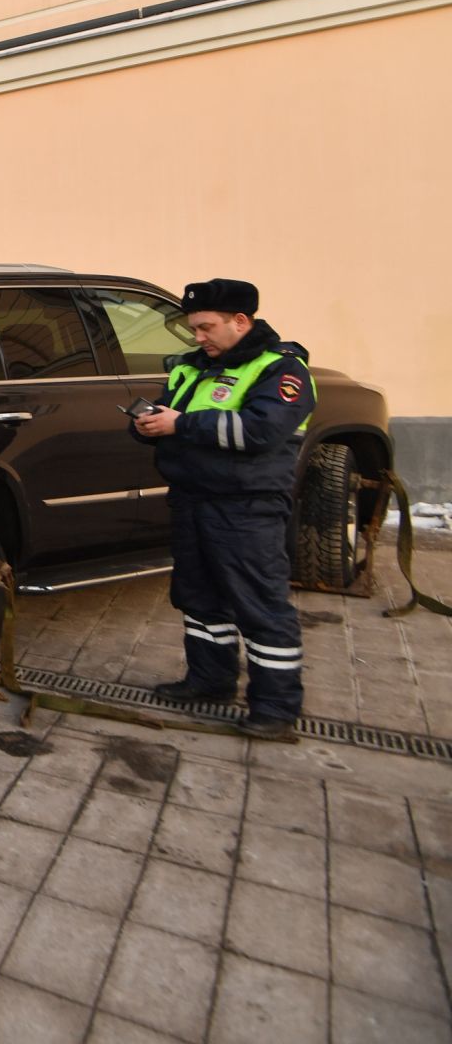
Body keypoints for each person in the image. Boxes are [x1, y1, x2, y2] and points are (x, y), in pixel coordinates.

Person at [132, 278, 314, 740]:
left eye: (206, 327)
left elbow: (259, 432)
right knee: (199, 599)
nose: (199, 338)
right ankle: (209, 682)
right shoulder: (191, 368)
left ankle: (275, 709)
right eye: (194, 329)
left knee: (258, 606)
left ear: (241, 321)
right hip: (193, 500)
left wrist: (180, 424)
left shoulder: (282, 370)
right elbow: (169, 414)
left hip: (246, 507)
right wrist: (147, 424)